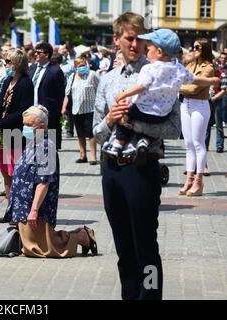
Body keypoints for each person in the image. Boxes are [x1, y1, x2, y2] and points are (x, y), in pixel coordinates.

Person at [93, 12, 182, 300]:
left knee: (145, 246)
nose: (135, 44)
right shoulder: (107, 80)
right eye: (129, 38)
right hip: (111, 170)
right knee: (123, 247)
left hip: (141, 169)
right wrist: (109, 120)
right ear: (116, 39)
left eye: (140, 39)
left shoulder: (160, 73)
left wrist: (133, 123)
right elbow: (96, 133)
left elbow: (174, 129)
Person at [102, 29, 218, 166]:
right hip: (163, 114)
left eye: (148, 48)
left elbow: (141, 87)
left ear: (159, 52)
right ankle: (144, 141)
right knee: (152, 124)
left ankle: (117, 145)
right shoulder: (180, 69)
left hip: (141, 110)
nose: (146, 51)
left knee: (124, 117)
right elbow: (197, 80)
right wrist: (211, 81)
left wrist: (124, 93)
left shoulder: (150, 68)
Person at [6, 106, 97, 258]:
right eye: (24, 125)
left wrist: (34, 210)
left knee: (44, 248)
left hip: (36, 208)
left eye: (29, 125)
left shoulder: (46, 146)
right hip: (23, 206)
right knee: (30, 245)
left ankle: (81, 236)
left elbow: (44, 182)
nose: (25, 128)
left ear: (41, 127)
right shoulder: (32, 142)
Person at [0, 49, 34, 223]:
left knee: (17, 173)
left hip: (15, 133)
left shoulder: (25, 83)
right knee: (5, 173)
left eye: (8, 61)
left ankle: (19, 212)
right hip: (0, 132)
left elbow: (21, 111)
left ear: (17, 63)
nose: (5, 64)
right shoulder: (8, 80)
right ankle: (10, 210)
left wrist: (1, 123)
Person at [179, 39, 215, 196]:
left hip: (199, 105)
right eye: (193, 47)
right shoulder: (190, 64)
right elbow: (179, 79)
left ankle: (199, 182)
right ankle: (189, 179)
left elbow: (194, 88)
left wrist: (179, 88)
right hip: (185, 104)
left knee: (198, 143)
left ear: (205, 48)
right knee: (188, 144)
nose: (193, 49)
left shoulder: (209, 68)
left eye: (197, 47)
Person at [61, 56, 99, 165]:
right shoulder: (72, 77)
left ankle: (93, 156)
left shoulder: (92, 74)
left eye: (84, 65)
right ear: (75, 67)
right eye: (79, 66)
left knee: (91, 133)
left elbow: (99, 89)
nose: (82, 67)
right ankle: (83, 155)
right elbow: (67, 94)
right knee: (80, 133)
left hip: (90, 108)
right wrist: (64, 108)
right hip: (76, 110)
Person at [29, 43, 66, 150]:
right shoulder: (32, 68)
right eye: (35, 52)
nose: (35, 54)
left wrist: (57, 112)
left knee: (49, 146)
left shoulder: (55, 71)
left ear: (47, 55)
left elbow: (60, 94)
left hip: (48, 113)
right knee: (31, 144)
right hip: (31, 111)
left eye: (38, 52)